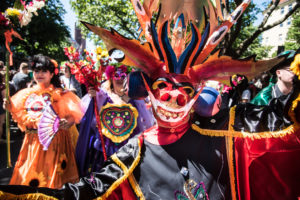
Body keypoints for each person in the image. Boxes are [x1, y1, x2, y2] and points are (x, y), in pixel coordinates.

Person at [0, 1, 300, 200]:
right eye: (163, 88)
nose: (172, 98)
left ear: (193, 95)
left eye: (182, 90)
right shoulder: (137, 149)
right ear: (149, 91)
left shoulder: (222, 130)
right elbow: (89, 191)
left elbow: (283, 118)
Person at [2, 54, 83, 189]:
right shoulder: (26, 94)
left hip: (55, 142)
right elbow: (17, 111)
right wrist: (8, 106)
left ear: (52, 74)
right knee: (31, 174)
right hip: (32, 142)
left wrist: (66, 122)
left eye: (44, 71)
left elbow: (72, 115)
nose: (39, 74)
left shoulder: (61, 94)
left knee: (52, 175)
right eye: (36, 71)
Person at [76, 65, 155, 177]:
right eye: (116, 75)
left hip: (129, 146)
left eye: (123, 76)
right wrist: (92, 96)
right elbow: (92, 118)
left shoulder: (135, 99)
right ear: (110, 78)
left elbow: (145, 122)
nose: (120, 79)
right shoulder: (102, 95)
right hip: (106, 147)